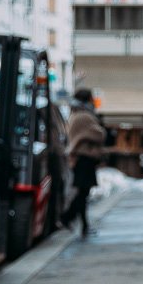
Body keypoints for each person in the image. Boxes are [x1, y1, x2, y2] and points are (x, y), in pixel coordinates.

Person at [63, 88, 105, 236]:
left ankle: (82, 224)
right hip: (84, 158)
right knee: (82, 192)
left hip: (80, 158)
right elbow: (99, 134)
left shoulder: (76, 114)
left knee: (82, 192)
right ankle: (68, 217)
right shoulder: (83, 116)